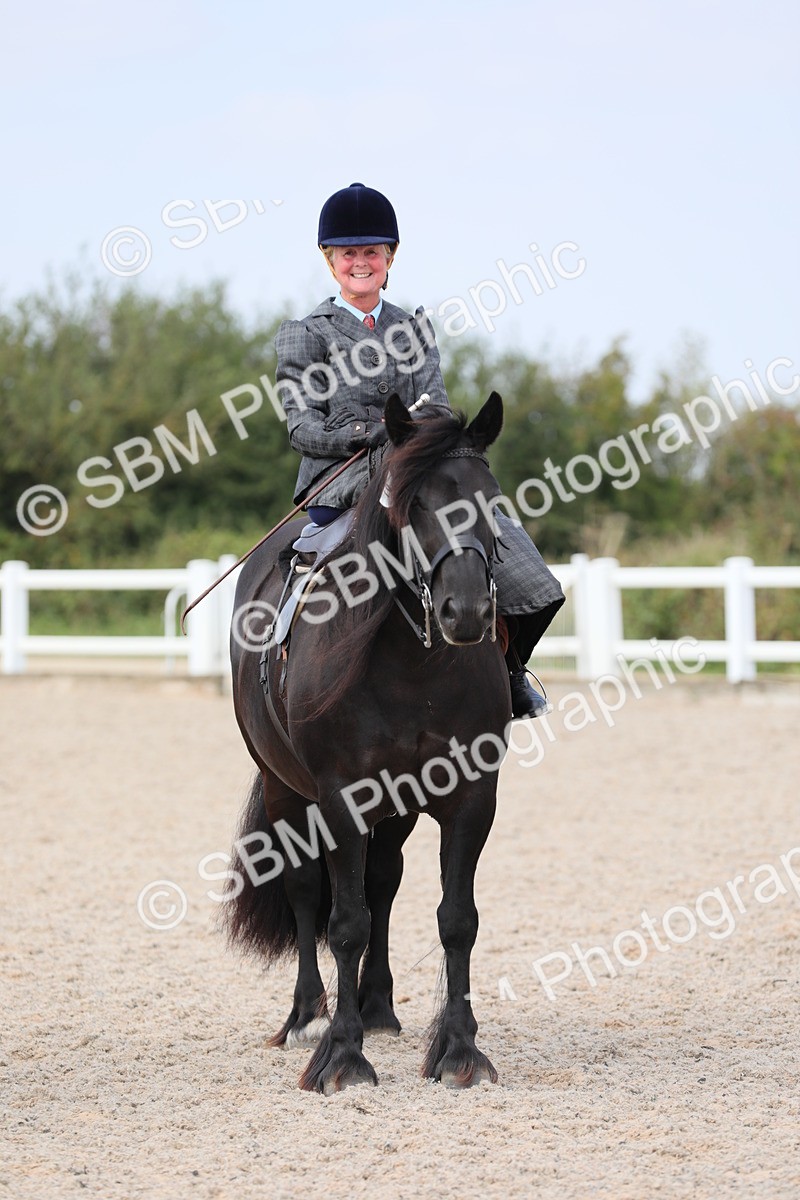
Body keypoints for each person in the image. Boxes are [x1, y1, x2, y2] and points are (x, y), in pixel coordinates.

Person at [274, 182, 565, 718]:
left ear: (389, 257)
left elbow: (437, 407)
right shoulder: (305, 334)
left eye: (371, 253)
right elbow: (302, 428)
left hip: (413, 471)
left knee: (519, 559)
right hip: (338, 481)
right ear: (329, 259)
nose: (360, 263)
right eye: (348, 254)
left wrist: (419, 434)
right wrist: (370, 434)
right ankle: (291, 664)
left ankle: (510, 671)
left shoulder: (412, 328)